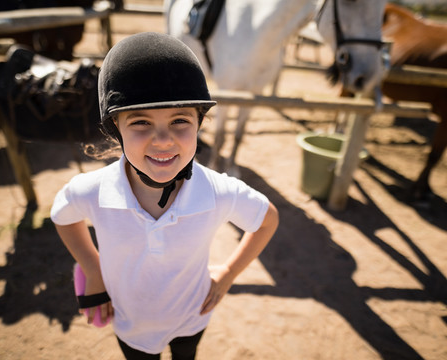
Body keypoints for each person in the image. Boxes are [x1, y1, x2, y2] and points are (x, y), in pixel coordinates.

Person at [50, 32, 279, 360]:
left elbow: (267, 219)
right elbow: (62, 216)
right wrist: (94, 268)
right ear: (116, 125)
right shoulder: (92, 190)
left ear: (200, 122)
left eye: (180, 121)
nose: (162, 141)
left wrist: (228, 274)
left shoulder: (216, 191)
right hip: (131, 326)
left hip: (193, 318)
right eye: (141, 122)